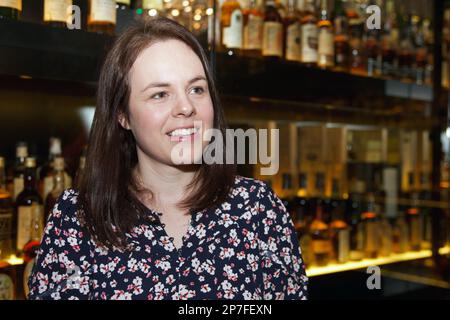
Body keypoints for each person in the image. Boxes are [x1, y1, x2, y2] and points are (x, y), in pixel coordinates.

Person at [27, 17, 308, 300]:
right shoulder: (77, 218)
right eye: (160, 94)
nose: (186, 107)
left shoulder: (259, 210)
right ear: (122, 115)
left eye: (196, 89)